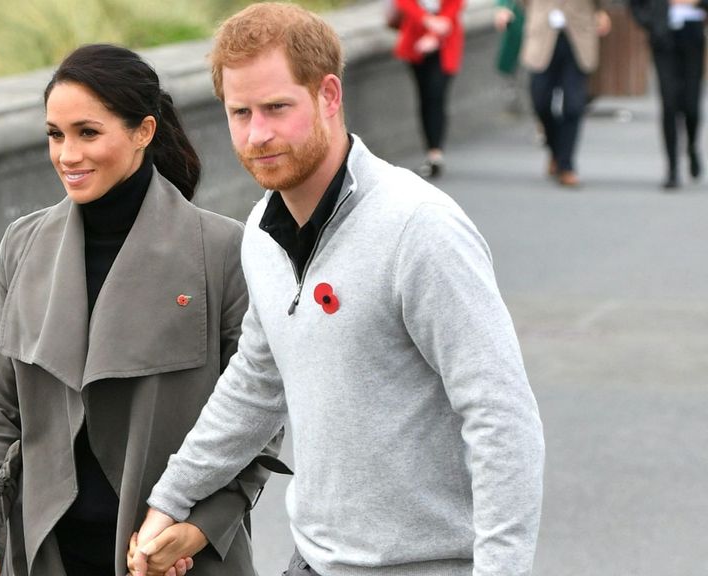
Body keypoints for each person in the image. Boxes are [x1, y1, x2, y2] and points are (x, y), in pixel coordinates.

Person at [132, 3, 545, 576]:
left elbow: (501, 416)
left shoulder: (418, 227)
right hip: (314, 561)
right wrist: (169, 500)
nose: (258, 134)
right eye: (240, 112)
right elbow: (255, 384)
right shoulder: (260, 231)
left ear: (329, 95)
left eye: (277, 107)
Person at [0, 43, 277, 576]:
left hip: (176, 558)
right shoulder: (23, 245)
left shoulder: (222, 250)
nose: (67, 154)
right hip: (48, 553)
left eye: (88, 132)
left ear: (143, 132)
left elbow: (260, 420)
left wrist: (198, 528)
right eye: (55, 135)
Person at [521, 0, 612, 187]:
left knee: (573, 105)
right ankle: (556, 151)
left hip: (578, 35)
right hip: (542, 35)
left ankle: (566, 165)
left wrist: (601, 11)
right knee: (540, 102)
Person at [629, 0, 707, 189]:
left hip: (693, 34)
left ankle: (691, 146)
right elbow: (635, 5)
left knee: (691, 105)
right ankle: (672, 169)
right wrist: (651, 22)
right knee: (669, 103)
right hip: (663, 34)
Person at [393, 0, 465, 178]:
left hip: (445, 43)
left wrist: (434, 33)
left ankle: (436, 154)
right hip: (415, 40)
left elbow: (454, 6)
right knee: (424, 97)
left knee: (436, 95)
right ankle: (431, 151)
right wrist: (426, 20)